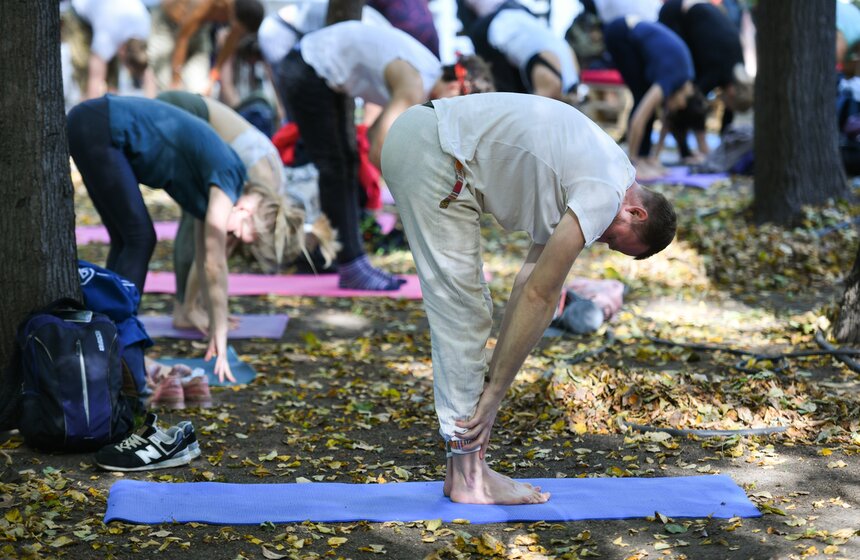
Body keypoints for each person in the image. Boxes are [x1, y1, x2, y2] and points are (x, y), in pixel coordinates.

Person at [380, 93, 676, 504]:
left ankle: (465, 469)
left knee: (469, 308)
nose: (602, 242)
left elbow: (528, 283)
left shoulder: (602, 170)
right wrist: (495, 394)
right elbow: (541, 293)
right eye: (615, 241)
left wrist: (495, 372)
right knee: (461, 312)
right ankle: (468, 478)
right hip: (435, 150)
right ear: (636, 214)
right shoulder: (605, 192)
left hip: (432, 143)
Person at [67, 95, 273, 382]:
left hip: (91, 123)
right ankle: (119, 343)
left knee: (127, 239)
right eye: (237, 233)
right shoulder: (228, 178)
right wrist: (224, 342)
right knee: (140, 238)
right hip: (99, 125)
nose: (230, 237)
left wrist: (215, 325)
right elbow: (215, 264)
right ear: (247, 209)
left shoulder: (218, 187)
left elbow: (203, 261)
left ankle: (103, 338)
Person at [278, 20, 493, 291]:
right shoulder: (415, 84)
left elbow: (376, 139)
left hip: (318, 69)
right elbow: (379, 146)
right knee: (335, 166)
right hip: (306, 68)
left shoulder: (425, 74)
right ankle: (351, 266)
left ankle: (351, 262)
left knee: (345, 163)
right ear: (455, 87)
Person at [156, 90, 307, 333]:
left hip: (190, 115)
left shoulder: (269, 196)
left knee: (207, 230)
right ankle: (184, 309)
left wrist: (217, 311)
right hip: (183, 112)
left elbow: (219, 257)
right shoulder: (260, 187)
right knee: (198, 223)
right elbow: (214, 253)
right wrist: (213, 313)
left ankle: (193, 307)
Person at [603, 15, 697, 179]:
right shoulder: (673, 77)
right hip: (620, 33)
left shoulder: (684, 81)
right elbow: (640, 117)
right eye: (681, 106)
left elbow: (668, 118)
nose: (679, 107)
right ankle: (633, 163)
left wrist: (655, 158)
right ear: (684, 99)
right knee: (642, 97)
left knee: (648, 100)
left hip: (633, 36)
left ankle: (645, 158)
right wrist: (633, 167)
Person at [658, 0, 753, 160]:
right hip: (675, 15)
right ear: (731, 93)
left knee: (691, 99)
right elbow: (692, 101)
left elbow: (728, 114)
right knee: (682, 95)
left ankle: (691, 150)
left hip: (694, 22)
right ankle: (685, 151)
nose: (727, 105)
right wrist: (704, 146)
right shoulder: (717, 69)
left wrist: (724, 145)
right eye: (730, 103)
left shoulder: (736, 69)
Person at [466, 0, 579, 100]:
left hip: (518, 13)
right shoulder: (552, 84)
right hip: (491, 27)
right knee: (506, 99)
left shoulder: (573, 71)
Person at [148, 0, 264, 93]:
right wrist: (175, 79)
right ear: (235, 17)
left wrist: (213, 78)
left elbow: (230, 43)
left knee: (199, 89)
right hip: (167, 24)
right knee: (169, 86)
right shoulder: (206, 3)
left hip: (199, 28)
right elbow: (183, 39)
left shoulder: (240, 12)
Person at [64, 0, 156, 100]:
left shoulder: (144, 30)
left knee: (112, 84)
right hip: (80, 15)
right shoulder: (107, 35)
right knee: (85, 72)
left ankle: (110, 102)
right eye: (125, 64)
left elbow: (146, 72)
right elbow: (95, 78)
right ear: (122, 50)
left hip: (110, 15)